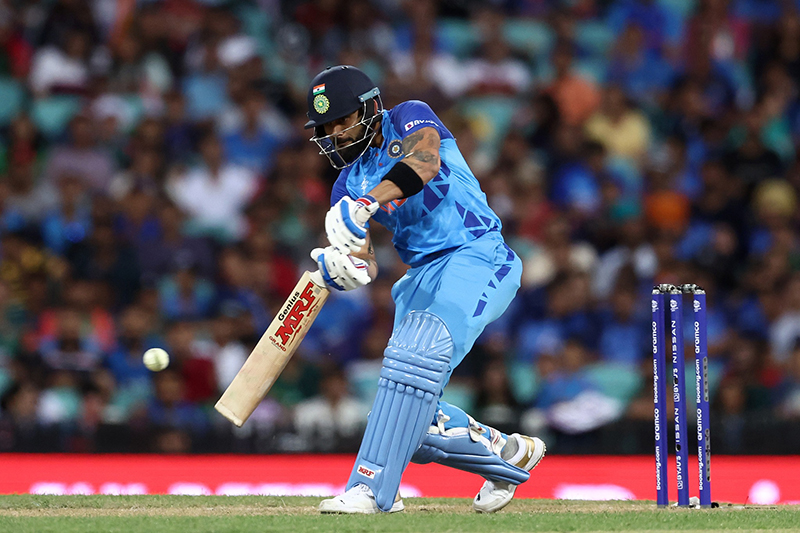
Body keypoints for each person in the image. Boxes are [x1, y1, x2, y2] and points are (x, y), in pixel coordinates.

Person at [304, 65, 546, 514]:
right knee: (407, 418)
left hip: (477, 253)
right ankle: (507, 452)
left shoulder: (408, 117)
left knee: (413, 364)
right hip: (420, 277)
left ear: (370, 109)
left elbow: (425, 162)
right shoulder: (346, 183)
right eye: (325, 128)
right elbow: (364, 259)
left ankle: (372, 491)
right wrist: (344, 267)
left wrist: (367, 203)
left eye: (341, 121)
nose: (334, 135)